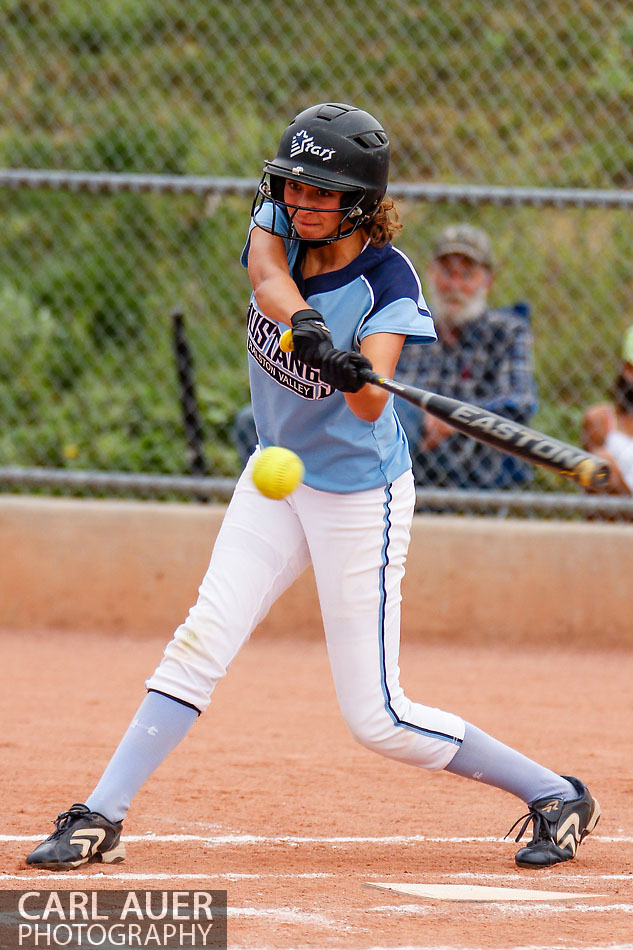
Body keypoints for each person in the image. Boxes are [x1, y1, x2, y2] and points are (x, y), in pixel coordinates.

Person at [27, 102, 599, 873]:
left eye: (320, 193)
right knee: (201, 641)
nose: (300, 202)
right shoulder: (282, 221)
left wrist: (356, 368)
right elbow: (267, 276)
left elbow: (371, 403)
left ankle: (554, 793)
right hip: (274, 477)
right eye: (293, 186)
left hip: (358, 497)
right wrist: (308, 327)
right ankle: (101, 814)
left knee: (378, 719)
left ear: (359, 203)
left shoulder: (390, 284)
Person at [394, 224, 538, 490]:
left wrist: (453, 418)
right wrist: (421, 415)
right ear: (431, 273)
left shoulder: (506, 332)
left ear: (488, 281)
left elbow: (520, 401)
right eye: (447, 273)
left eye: (467, 275)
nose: (454, 285)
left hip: (480, 466)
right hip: (411, 459)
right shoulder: (408, 327)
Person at [582, 324, 633, 495]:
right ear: (627, 370)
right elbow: (590, 489)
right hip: (612, 516)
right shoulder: (601, 418)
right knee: (602, 463)